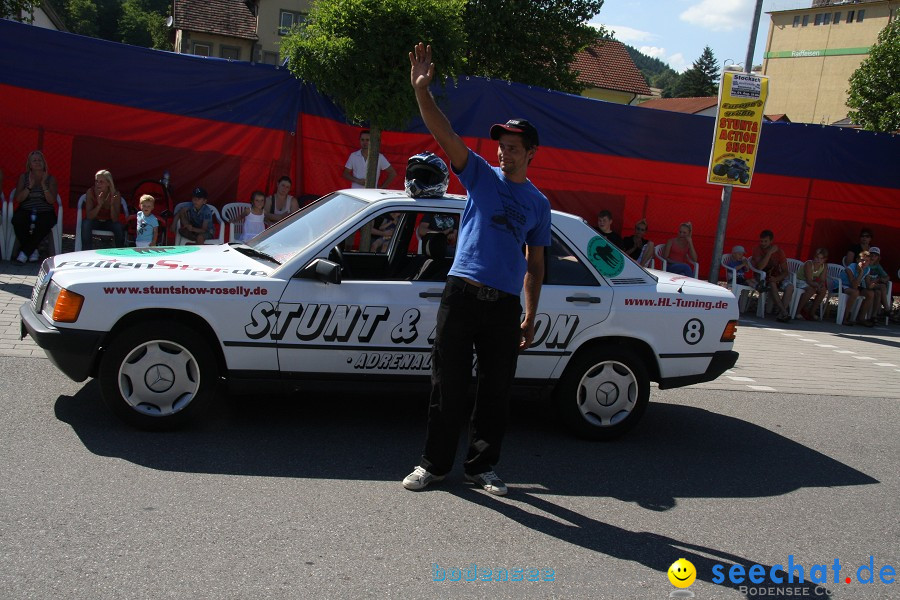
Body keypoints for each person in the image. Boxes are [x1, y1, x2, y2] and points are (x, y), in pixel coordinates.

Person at [402, 43, 551, 496]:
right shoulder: (480, 174)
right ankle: (433, 465)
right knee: (447, 386)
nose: (504, 153)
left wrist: (529, 316)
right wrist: (421, 90)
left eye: (513, 148)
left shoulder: (538, 204)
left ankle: (482, 467)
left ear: (530, 153)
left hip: (503, 306)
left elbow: (536, 266)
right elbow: (443, 132)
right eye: (501, 146)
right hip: (462, 294)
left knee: (494, 392)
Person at [11, 150, 58, 263]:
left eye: (39, 160)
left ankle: (24, 254)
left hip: (45, 210)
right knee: (17, 220)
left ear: (44, 163)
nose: (37, 162)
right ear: (30, 165)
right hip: (26, 208)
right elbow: (19, 199)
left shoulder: (51, 179)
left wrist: (43, 185)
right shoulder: (24, 177)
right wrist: (30, 187)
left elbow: (51, 201)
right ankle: (33, 251)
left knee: (45, 223)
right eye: (34, 160)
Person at [751, 229, 794, 323]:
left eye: (765, 241)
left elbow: (785, 271)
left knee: (790, 287)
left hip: (776, 276)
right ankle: (784, 312)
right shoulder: (757, 250)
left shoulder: (779, 252)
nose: (763, 243)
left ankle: (781, 314)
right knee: (772, 283)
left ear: (771, 241)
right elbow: (760, 267)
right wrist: (769, 253)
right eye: (761, 241)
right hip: (762, 277)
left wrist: (777, 278)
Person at [80, 169, 125, 250]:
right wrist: (99, 205)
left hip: (109, 222)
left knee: (118, 227)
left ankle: (121, 252)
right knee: (86, 224)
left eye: (101, 182)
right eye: (96, 181)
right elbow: (89, 217)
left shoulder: (115, 194)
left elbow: (115, 219)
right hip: (95, 221)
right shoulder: (90, 192)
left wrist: (111, 205)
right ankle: (86, 252)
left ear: (108, 183)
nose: (98, 184)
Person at [839, 250, 874, 327]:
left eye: (867, 261)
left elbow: (868, 285)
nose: (864, 262)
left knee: (870, 293)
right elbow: (854, 285)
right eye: (862, 260)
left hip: (853, 286)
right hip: (842, 285)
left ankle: (861, 318)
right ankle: (845, 318)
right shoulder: (851, 267)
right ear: (857, 260)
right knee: (855, 292)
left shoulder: (867, 269)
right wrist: (861, 273)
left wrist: (872, 285)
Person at [794, 248, 829, 321]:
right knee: (811, 290)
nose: (818, 260)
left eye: (821, 258)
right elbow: (809, 280)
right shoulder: (809, 264)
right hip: (799, 281)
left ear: (825, 259)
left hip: (810, 282)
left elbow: (822, 280)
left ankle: (812, 313)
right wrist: (817, 285)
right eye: (817, 257)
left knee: (823, 290)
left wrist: (821, 285)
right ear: (814, 257)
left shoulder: (824, 266)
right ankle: (797, 312)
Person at [864, 247, 891, 321]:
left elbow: (887, 277)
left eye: (875, 255)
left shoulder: (878, 266)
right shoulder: (866, 264)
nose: (873, 257)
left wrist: (883, 279)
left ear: (878, 258)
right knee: (882, 286)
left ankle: (873, 316)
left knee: (878, 293)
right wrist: (878, 280)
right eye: (871, 254)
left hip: (873, 285)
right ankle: (886, 308)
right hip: (865, 285)